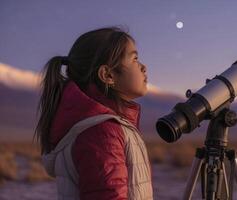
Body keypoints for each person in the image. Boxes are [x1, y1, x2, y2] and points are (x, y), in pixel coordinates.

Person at [34, 27, 153, 200]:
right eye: (135, 59)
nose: (143, 67)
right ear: (107, 75)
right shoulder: (102, 132)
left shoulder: (104, 126)